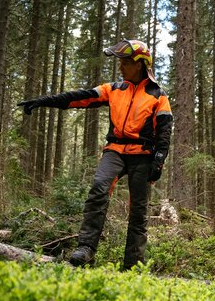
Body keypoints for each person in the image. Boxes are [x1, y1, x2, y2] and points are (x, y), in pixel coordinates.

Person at [18, 39, 172, 270]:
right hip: (115, 151)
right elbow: (78, 96)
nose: (120, 67)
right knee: (99, 187)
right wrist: (42, 101)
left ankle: (132, 266)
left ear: (140, 64)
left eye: (125, 63)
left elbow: (164, 130)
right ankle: (86, 248)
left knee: (138, 211)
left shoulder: (158, 95)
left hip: (143, 154)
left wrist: (159, 160)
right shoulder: (113, 89)